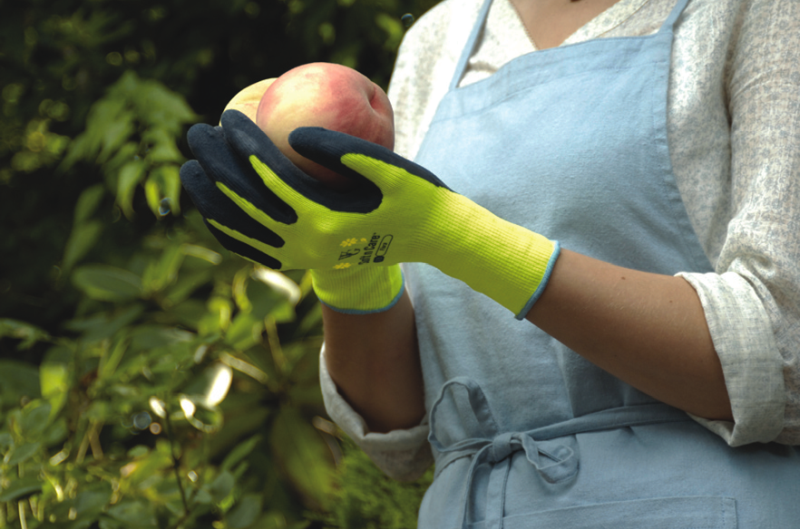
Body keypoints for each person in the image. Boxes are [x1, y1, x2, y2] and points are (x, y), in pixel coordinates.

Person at [180, 0, 800, 526]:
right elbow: (403, 441)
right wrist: (349, 264)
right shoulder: (441, 39)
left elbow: (784, 352)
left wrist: (452, 234)